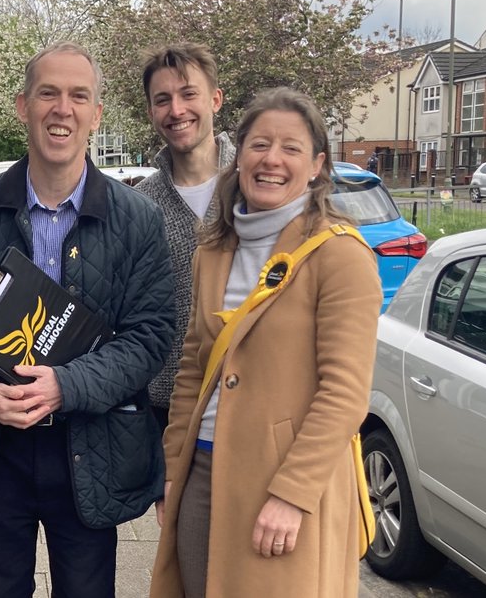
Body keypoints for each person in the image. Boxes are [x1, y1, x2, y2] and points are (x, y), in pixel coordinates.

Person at [0, 42, 174, 598]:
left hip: (89, 447)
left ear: (96, 114)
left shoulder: (138, 220)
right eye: (48, 93)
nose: (63, 109)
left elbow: (151, 335)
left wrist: (67, 386)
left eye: (79, 96)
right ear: (22, 105)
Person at [150, 87, 382, 597]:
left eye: (291, 148)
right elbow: (193, 369)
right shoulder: (213, 251)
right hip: (203, 472)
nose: (271, 160)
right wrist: (173, 469)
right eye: (259, 145)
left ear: (318, 165)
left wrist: (292, 494)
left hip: (283, 482)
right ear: (239, 156)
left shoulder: (339, 256)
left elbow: (344, 394)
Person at [133, 42, 236, 431]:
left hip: (251, 405)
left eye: (188, 94)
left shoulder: (257, 186)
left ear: (215, 99)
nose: (176, 110)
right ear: (151, 112)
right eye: (163, 100)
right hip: (167, 415)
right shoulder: (140, 205)